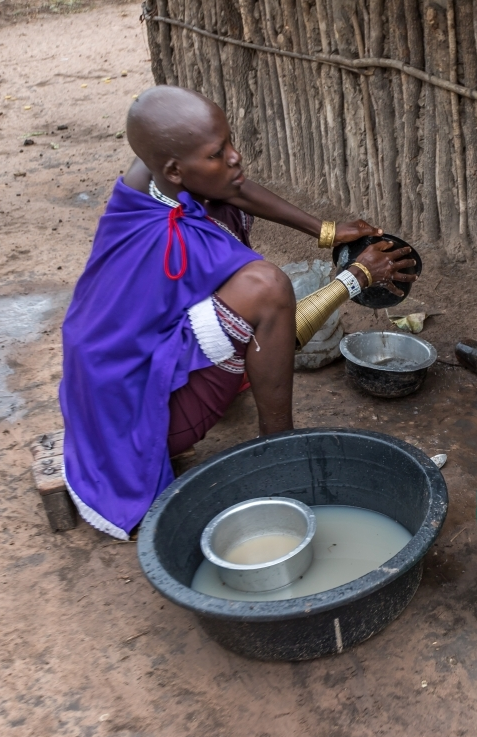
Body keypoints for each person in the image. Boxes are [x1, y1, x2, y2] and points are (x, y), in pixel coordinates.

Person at [59, 86, 416, 539]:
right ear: (174, 169)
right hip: (134, 424)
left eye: (229, 142)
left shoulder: (147, 181)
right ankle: (279, 453)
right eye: (218, 153)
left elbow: (232, 188)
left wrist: (326, 231)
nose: (235, 156)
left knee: (226, 219)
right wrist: (357, 278)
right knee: (265, 288)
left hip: (98, 392)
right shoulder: (180, 241)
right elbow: (278, 312)